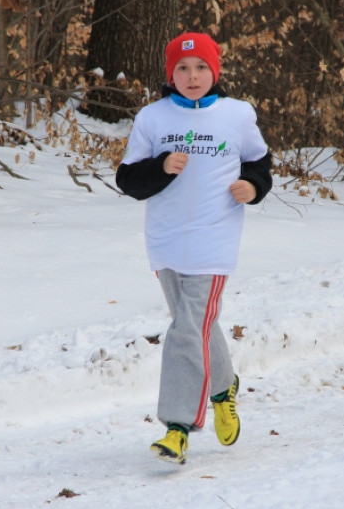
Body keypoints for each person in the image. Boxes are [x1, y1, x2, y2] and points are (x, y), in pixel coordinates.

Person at [116, 31, 273, 465]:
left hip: (214, 241)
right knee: (197, 327)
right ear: (170, 74)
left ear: (215, 71)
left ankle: (177, 427)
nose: (192, 75)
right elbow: (128, 181)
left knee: (186, 330)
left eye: (201, 67)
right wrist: (161, 168)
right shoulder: (153, 118)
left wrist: (253, 186)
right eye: (182, 68)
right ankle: (224, 389)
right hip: (167, 242)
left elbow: (260, 162)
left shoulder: (237, 116)